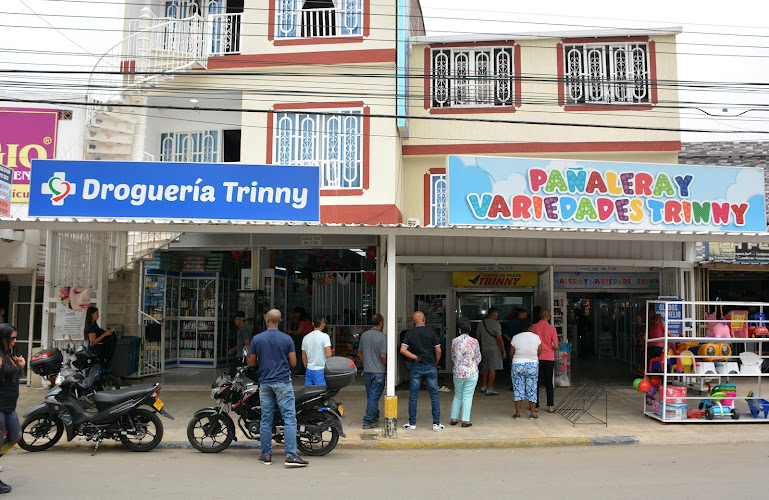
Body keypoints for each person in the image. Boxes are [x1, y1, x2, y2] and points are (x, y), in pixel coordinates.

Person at [247, 309, 308, 468]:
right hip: (282, 383)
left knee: (266, 419)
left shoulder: (257, 339)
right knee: (289, 419)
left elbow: (251, 362)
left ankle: (266, 455)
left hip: (265, 383)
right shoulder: (287, 339)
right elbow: (293, 363)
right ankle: (290, 456)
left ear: (267, 320)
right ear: (279, 321)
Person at [400, 311, 444, 432]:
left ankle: (412, 423)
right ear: (424, 319)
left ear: (414, 321)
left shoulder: (409, 333)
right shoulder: (431, 332)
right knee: (434, 395)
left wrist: (415, 357)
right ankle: (436, 424)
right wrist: (435, 362)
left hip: (416, 366)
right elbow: (438, 351)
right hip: (430, 366)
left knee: (413, 396)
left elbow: (403, 350)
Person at [0, 324, 24, 493]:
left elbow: (11, 379)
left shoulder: (8, 355)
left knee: (16, 436)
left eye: (16, 337)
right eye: (12, 338)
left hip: (9, 406)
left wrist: (20, 366)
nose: (15, 341)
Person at [449, 317, 481, 427]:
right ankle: (465, 420)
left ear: (459, 329)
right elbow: (478, 357)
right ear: (470, 329)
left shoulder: (454, 341)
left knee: (457, 394)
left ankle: (454, 419)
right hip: (471, 372)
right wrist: (473, 364)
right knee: (468, 396)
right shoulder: (474, 341)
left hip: (458, 372)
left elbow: (453, 356)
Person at [358, 313, 387, 429]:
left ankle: (374, 417)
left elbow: (360, 352)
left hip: (367, 371)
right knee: (373, 398)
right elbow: (383, 356)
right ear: (380, 323)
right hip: (378, 372)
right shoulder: (383, 337)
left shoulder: (364, 335)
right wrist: (387, 366)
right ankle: (367, 420)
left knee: (371, 397)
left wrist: (365, 363)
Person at [509, 318, 541, 419]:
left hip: (518, 364)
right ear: (530, 327)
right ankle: (532, 413)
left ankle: (518, 413)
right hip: (532, 365)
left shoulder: (515, 338)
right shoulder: (536, 337)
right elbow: (539, 351)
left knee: (518, 388)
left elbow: (511, 353)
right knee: (532, 388)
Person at [532, 308, 559, 413]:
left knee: (536, 382)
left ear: (539, 316)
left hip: (536, 357)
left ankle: (535, 406)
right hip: (548, 357)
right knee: (549, 382)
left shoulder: (534, 327)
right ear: (548, 317)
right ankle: (550, 406)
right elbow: (556, 345)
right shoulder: (552, 329)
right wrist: (550, 348)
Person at [477, 307, 505, 396]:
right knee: (492, 369)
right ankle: (490, 388)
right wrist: (503, 350)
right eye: (497, 314)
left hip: (484, 348)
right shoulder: (496, 324)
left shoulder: (481, 323)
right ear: (493, 314)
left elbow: (478, 337)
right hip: (494, 349)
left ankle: (484, 386)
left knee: (485, 368)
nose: (497, 316)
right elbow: (499, 339)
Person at [302, 315, 332, 386]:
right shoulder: (325, 337)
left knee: (309, 391)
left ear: (312, 324)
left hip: (309, 370)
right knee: (321, 391)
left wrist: (308, 368)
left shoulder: (306, 337)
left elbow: (303, 357)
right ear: (323, 324)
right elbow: (328, 354)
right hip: (321, 370)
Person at [502, 308, 528, 391]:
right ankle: (523, 385)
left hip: (511, 347)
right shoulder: (525, 324)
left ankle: (514, 385)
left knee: (513, 366)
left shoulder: (510, 323)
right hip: (523, 347)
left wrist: (511, 340)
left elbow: (504, 333)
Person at [229, 311, 252, 377]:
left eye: (235, 320)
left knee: (233, 372)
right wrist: (234, 349)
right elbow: (241, 343)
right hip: (240, 354)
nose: (234, 322)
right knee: (246, 372)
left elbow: (247, 343)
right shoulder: (241, 329)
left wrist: (249, 356)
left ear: (239, 319)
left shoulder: (243, 329)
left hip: (241, 356)